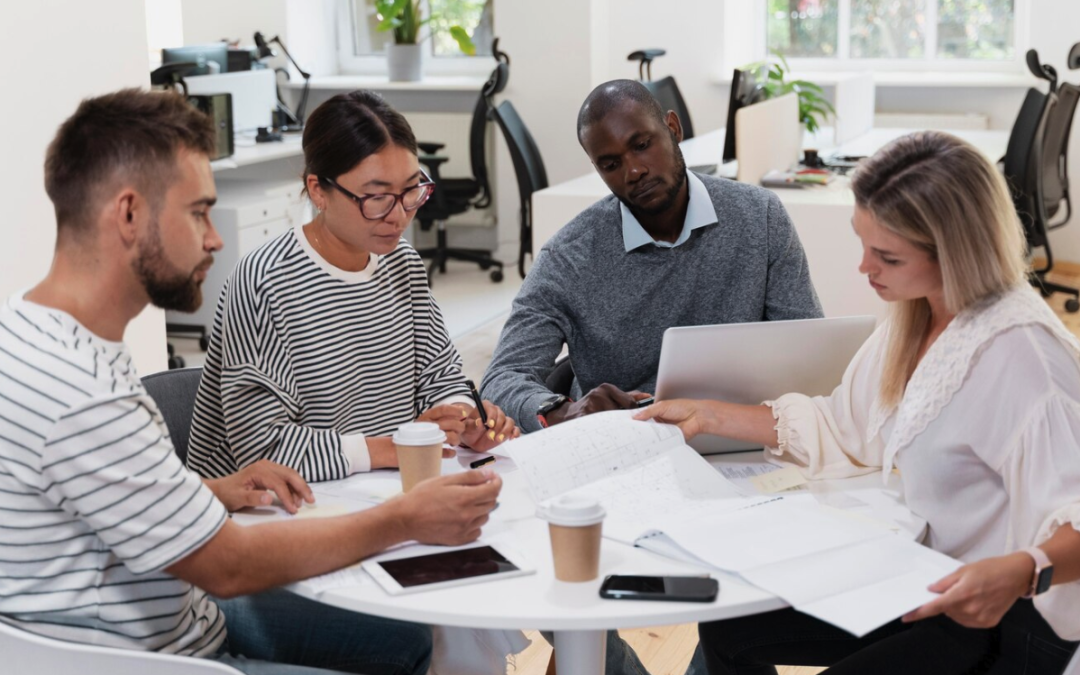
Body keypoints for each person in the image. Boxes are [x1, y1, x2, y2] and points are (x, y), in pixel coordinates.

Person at [0, 88, 502, 675]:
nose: (214, 238)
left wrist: (213, 490)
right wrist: (404, 519)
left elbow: (111, 499)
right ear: (130, 214)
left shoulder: (41, 337)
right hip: (151, 659)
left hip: (183, 617)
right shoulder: (85, 392)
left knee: (411, 638)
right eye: (198, 213)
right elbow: (227, 566)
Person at [637, 131, 1080, 674]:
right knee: (729, 628)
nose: (864, 268)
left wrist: (1022, 568)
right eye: (863, 243)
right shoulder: (919, 316)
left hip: (1006, 619)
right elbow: (846, 423)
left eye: (887, 256)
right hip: (928, 576)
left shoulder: (1025, 359)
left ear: (955, 254)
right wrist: (707, 415)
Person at [186, 90, 518, 484]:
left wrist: (463, 417)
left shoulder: (402, 262)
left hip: (374, 490)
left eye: (412, 190)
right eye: (376, 197)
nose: (398, 215)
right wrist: (397, 447)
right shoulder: (264, 283)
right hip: (268, 509)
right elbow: (262, 447)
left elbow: (440, 374)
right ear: (318, 190)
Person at [480, 79, 822, 433]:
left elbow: (809, 350)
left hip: (740, 435)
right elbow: (502, 378)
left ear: (673, 128)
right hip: (629, 449)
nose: (634, 171)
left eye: (642, 145)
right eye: (611, 164)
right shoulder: (569, 258)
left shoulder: (759, 217)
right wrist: (561, 412)